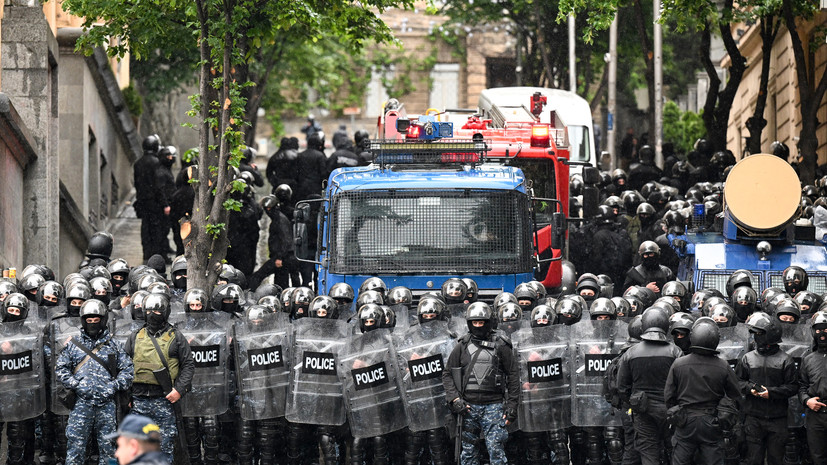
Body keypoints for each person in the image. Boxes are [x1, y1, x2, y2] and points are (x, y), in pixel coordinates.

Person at [57, 299, 135, 465]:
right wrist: (76, 385)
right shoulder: (73, 345)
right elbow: (61, 369)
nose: (92, 324)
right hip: (81, 404)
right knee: (75, 449)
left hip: (106, 406)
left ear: (103, 320)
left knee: (109, 450)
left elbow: (128, 371)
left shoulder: (113, 345)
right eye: (89, 321)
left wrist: (113, 386)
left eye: (96, 320)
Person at [443, 302, 519, 465]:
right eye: (475, 322)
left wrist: (512, 405)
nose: (478, 326)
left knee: (496, 451)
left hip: (494, 406)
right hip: (468, 408)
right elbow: (448, 373)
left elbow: (513, 375)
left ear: (488, 322)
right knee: (468, 454)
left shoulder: (501, 344)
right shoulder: (462, 345)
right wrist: (455, 400)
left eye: (481, 322)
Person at [124, 294, 195, 461]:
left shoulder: (176, 337)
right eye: (148, 310)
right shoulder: (135, 336)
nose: (152, 314)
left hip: (164, 400)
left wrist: (179, 390)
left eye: (156, 310)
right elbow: (124, 366)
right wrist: (126, 395)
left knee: (164, 447)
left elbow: (188, 365)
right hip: (138, 400)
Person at [665, 317, 742, 465]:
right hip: (711, 422)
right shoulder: (723, 365)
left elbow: (669, 396)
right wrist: (723, 416)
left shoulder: (679, 363)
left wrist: (677, 414)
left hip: (685, 421)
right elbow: (736, 396)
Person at [616, 307, 682, 465]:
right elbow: (684, 384)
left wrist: (635, 403)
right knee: (674, 451)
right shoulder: (675, 352)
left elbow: (622, 388)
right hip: (671, 411)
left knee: (649, 455)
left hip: (643, 411)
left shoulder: (631, 353)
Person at [735, 312, 798, 465]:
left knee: (776, 459)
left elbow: (793, 386)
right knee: (754, 459)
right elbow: (737, 381)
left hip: (778, 419)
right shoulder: (747, 358)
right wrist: (750, 388)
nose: (756, 336)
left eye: (759, 333)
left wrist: (771, 393)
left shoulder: (785, 360)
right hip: (753, 418)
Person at [798, 311, 827, 464]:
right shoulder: (808, 359)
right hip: (815, 415)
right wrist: (807, 401)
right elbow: (802, 387)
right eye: (818, 330)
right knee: (818, 457)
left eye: (826, 330)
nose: (822, 334)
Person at [134, 135, 169, 260]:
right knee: (157, 229)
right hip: (155, 203)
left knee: (145, 227)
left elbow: (137, 184)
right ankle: (156, 255)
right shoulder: (157, 163)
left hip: (143, 201)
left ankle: (146, 253)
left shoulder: (138, 164)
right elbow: (158, 186)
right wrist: (164, 203)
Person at [295, 133, 328, 202]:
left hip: (302, 186)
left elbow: (296, 171)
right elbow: (323, 173)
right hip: (315, 187)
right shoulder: (320, 156)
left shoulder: (300, 155)